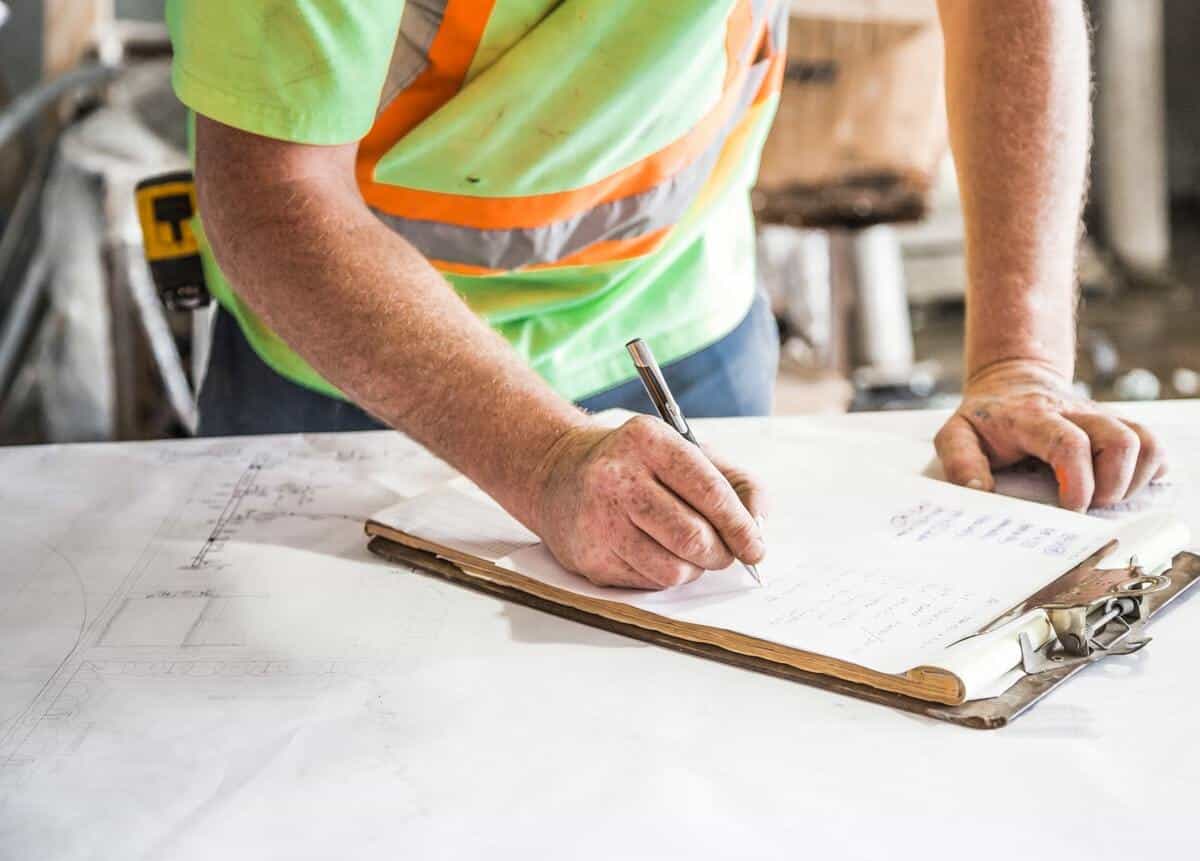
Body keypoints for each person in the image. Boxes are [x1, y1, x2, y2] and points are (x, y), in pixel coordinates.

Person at [167, 0, 1165, 590]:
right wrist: (545, 457)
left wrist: (1019, 361)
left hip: (683, 321)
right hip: (356, 370)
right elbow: (270, 190)